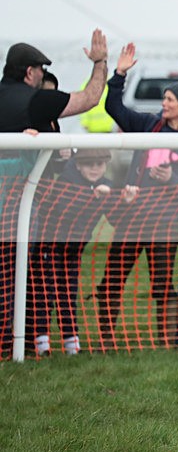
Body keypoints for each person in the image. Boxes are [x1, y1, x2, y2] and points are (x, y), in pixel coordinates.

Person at [0, 29, 108, 359]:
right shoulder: (36, 101)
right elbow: (90, 98)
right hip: (18, 205)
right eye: (41, 71)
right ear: (30, 72)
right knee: (15, 274)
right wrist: (100, 62)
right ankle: (11, 344)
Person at [97, 43, 178, 349]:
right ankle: (105, 341)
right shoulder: (148, 124)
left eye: (170, 99)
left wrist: (172, 179)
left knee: (163, 286)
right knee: (111, 282)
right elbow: (114, 109)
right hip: (130, 220)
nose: (164, 102)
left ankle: (166, 343)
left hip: (165, 226)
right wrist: (119, 74)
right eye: (165, 98)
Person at [28, 148, 113, 356]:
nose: (94, 169)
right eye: (89, 164)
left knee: (68, 294)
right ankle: (40, 343)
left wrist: (123, 200)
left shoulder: (106, 185)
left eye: (99, 164)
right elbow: (66, 211)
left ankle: (71, 344)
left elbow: (114, 217)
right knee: (44, 294)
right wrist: (93, 197)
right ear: (78, 165)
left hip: (73, 250)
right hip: (49, 246)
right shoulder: (66, 181)